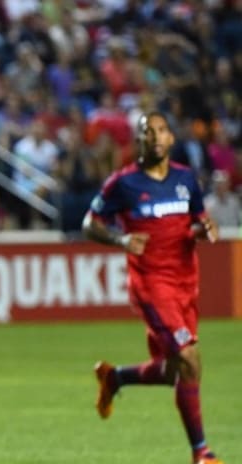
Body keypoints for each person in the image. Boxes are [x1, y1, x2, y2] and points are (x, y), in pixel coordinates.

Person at [82, 111, 223, 464]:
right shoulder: (123, 183)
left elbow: (196, 222)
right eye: (148, 131)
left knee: (177, 370)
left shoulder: (186, 179)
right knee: (189, 358)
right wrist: (120, 238)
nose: (156, 136)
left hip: (185, 283)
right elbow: (90, 223)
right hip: (151, 284)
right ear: (139, 140)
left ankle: (114, 378)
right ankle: (201, 454)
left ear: (171, 138)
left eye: (162, 130)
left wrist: (204, 231)